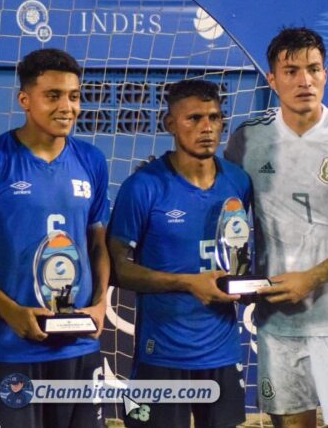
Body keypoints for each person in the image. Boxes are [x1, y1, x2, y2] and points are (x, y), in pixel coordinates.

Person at [224, 27, 328, 428]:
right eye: (292, 71)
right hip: (279, 323)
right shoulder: (247, 140)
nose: (305, 80)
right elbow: (230, 221)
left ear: (325, 74)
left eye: (314, 69)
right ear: (272, 80)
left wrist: (311, 278)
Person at [0, 48, 110, 428]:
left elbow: (98, 243)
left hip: (79, 347)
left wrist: (101, 303)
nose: (67, 107)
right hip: (11, 348)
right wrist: (8, 309)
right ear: (24, 100)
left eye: (74, 96)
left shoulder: (92, 160)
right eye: (53, 96)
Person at [109, 79, 250, 428]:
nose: (207, 127)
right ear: (170, 124)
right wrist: (188, 283)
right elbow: (118, 269)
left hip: (223, 353)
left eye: (214, 117)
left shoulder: (239, 181)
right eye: (194, 118)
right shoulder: (143, 187)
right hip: (162, 353)